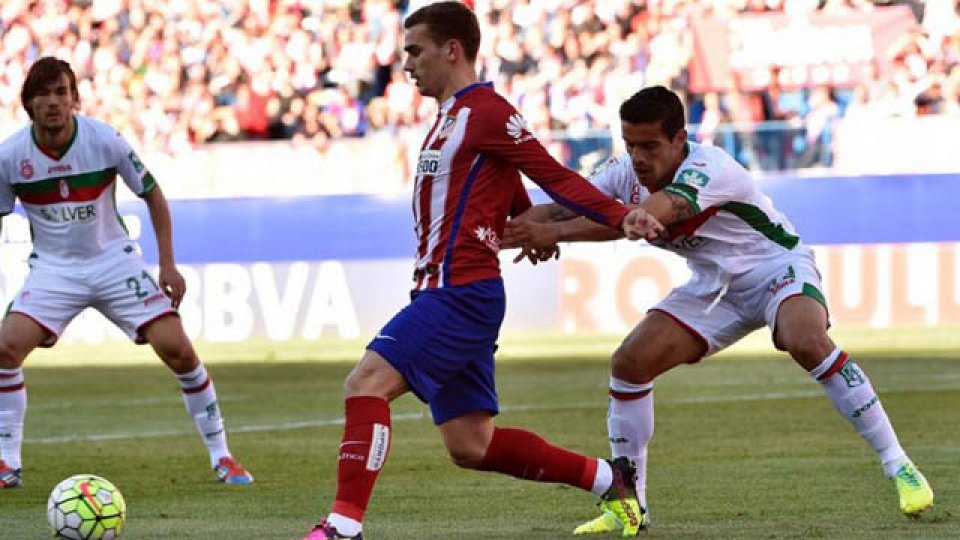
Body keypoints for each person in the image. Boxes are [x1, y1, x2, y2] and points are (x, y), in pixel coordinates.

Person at [504, 85, 935, 534]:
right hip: (715, 288)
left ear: (679, 139)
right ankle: (631, 505)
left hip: (777, 268)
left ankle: (898, 464)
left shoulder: (710, 168)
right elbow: (561, 210)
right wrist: (506, 229)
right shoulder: (622, 171)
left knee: (804, 339)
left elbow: (653, 213)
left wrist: (555, 235)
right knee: (630, 363)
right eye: (630, 144)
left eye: (649, 145)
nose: (638, 157)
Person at [301, 3, 655, 539]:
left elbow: (552, 174)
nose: (407, 64)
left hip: (459, 293)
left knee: (365, 384)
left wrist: (619, 214)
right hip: (447, 291)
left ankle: (343, 527)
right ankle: (612, 480)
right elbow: (508, 185)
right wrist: (522, 224)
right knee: (472, 445)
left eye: (415, 51)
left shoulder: (484, 110)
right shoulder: (448, 117)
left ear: (453, 49)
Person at [0, 57, 253, 489]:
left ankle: (223, 456)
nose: (54, 103)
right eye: (43, 94)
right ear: (28, 105)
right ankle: (7, 463)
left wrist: (168, 263)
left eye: (62, 92)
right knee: (4, 351)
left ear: (75, 99)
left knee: (179, 351)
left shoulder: (104, 140)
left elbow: (153, 194)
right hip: (54, 272)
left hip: (114, 262)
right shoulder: (10, 156)